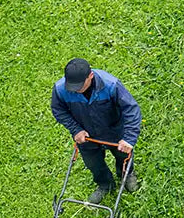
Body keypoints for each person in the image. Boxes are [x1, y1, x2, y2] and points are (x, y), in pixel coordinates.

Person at [50, 58, 141, 204]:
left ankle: (127, 175)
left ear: (90, 76)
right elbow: (58, 110)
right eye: (72, 86)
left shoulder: (111, 85)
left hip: (113, 130)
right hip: (86, 136)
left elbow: (131, 109)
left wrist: (129, 138)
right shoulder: (61, 89)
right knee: (93, 163)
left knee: (122, 155)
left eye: (79, 86)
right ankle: (105, 184)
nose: (75, 90)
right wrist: (76, 130)